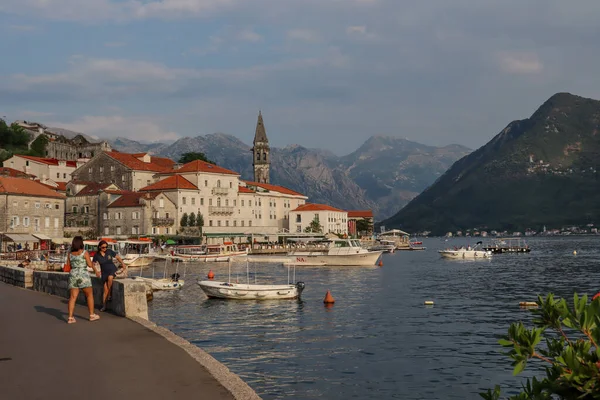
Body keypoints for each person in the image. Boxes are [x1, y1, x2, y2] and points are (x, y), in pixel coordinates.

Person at [66, 236, 101, 324]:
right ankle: (92, 315)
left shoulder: (70, 254)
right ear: (81, 243)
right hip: (83, 275)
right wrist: (96, 270)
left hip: (73, 274)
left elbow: (68, 264)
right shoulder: (84, 253)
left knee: (73, 297)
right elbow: (89, 264)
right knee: (89, 295)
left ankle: (70, 318)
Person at [93, 240, 126, 311]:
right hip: (104, 272)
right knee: (105, 290)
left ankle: (110, 294)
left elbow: (117, 257)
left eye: (106, 247)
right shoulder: (97, 255)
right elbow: (93, 264)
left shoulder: (109, 251)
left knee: (110, 278)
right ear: (99, 247)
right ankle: (104, 306)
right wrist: (96, 271)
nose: (105, 248)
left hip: (112, 269)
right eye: (103, 247)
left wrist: (123, 264)